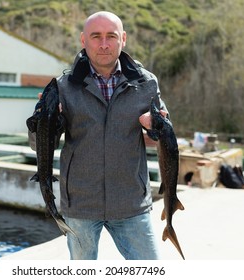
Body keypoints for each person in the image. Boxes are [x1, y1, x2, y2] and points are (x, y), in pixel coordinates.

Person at [29, 11, 169, 260]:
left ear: (123, 39)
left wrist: (155, 128)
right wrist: (43, 123)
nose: (104, 44)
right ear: (84, 40)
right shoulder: (63, 86)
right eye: (96, 37)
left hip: (131, 203)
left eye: (111, 36)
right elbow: (36, 145)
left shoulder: (147, 83)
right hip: (80, 204)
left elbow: (160, 139)